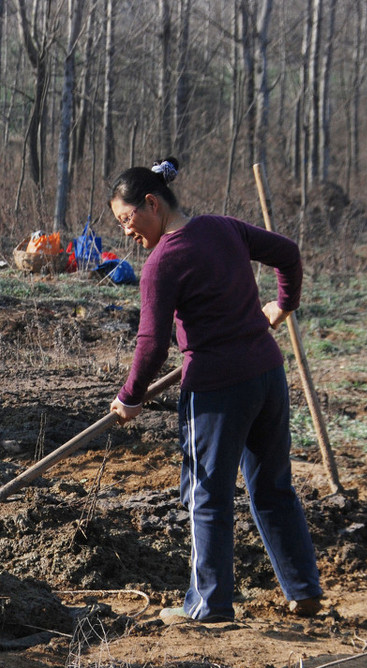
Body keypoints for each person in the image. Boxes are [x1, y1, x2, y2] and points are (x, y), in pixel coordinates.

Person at [107, 157, 323, 623]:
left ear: (152, 203)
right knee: (272, 486)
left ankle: (209, 606)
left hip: (217, 392)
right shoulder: (224, 227)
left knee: (207, 494)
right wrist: (284, 304)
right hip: (267, 376)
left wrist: (130, 396)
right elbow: (287, 252)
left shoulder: (162, 263)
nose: (126, 232)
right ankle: (303, 588)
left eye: (126, 219)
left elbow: (151, 344)